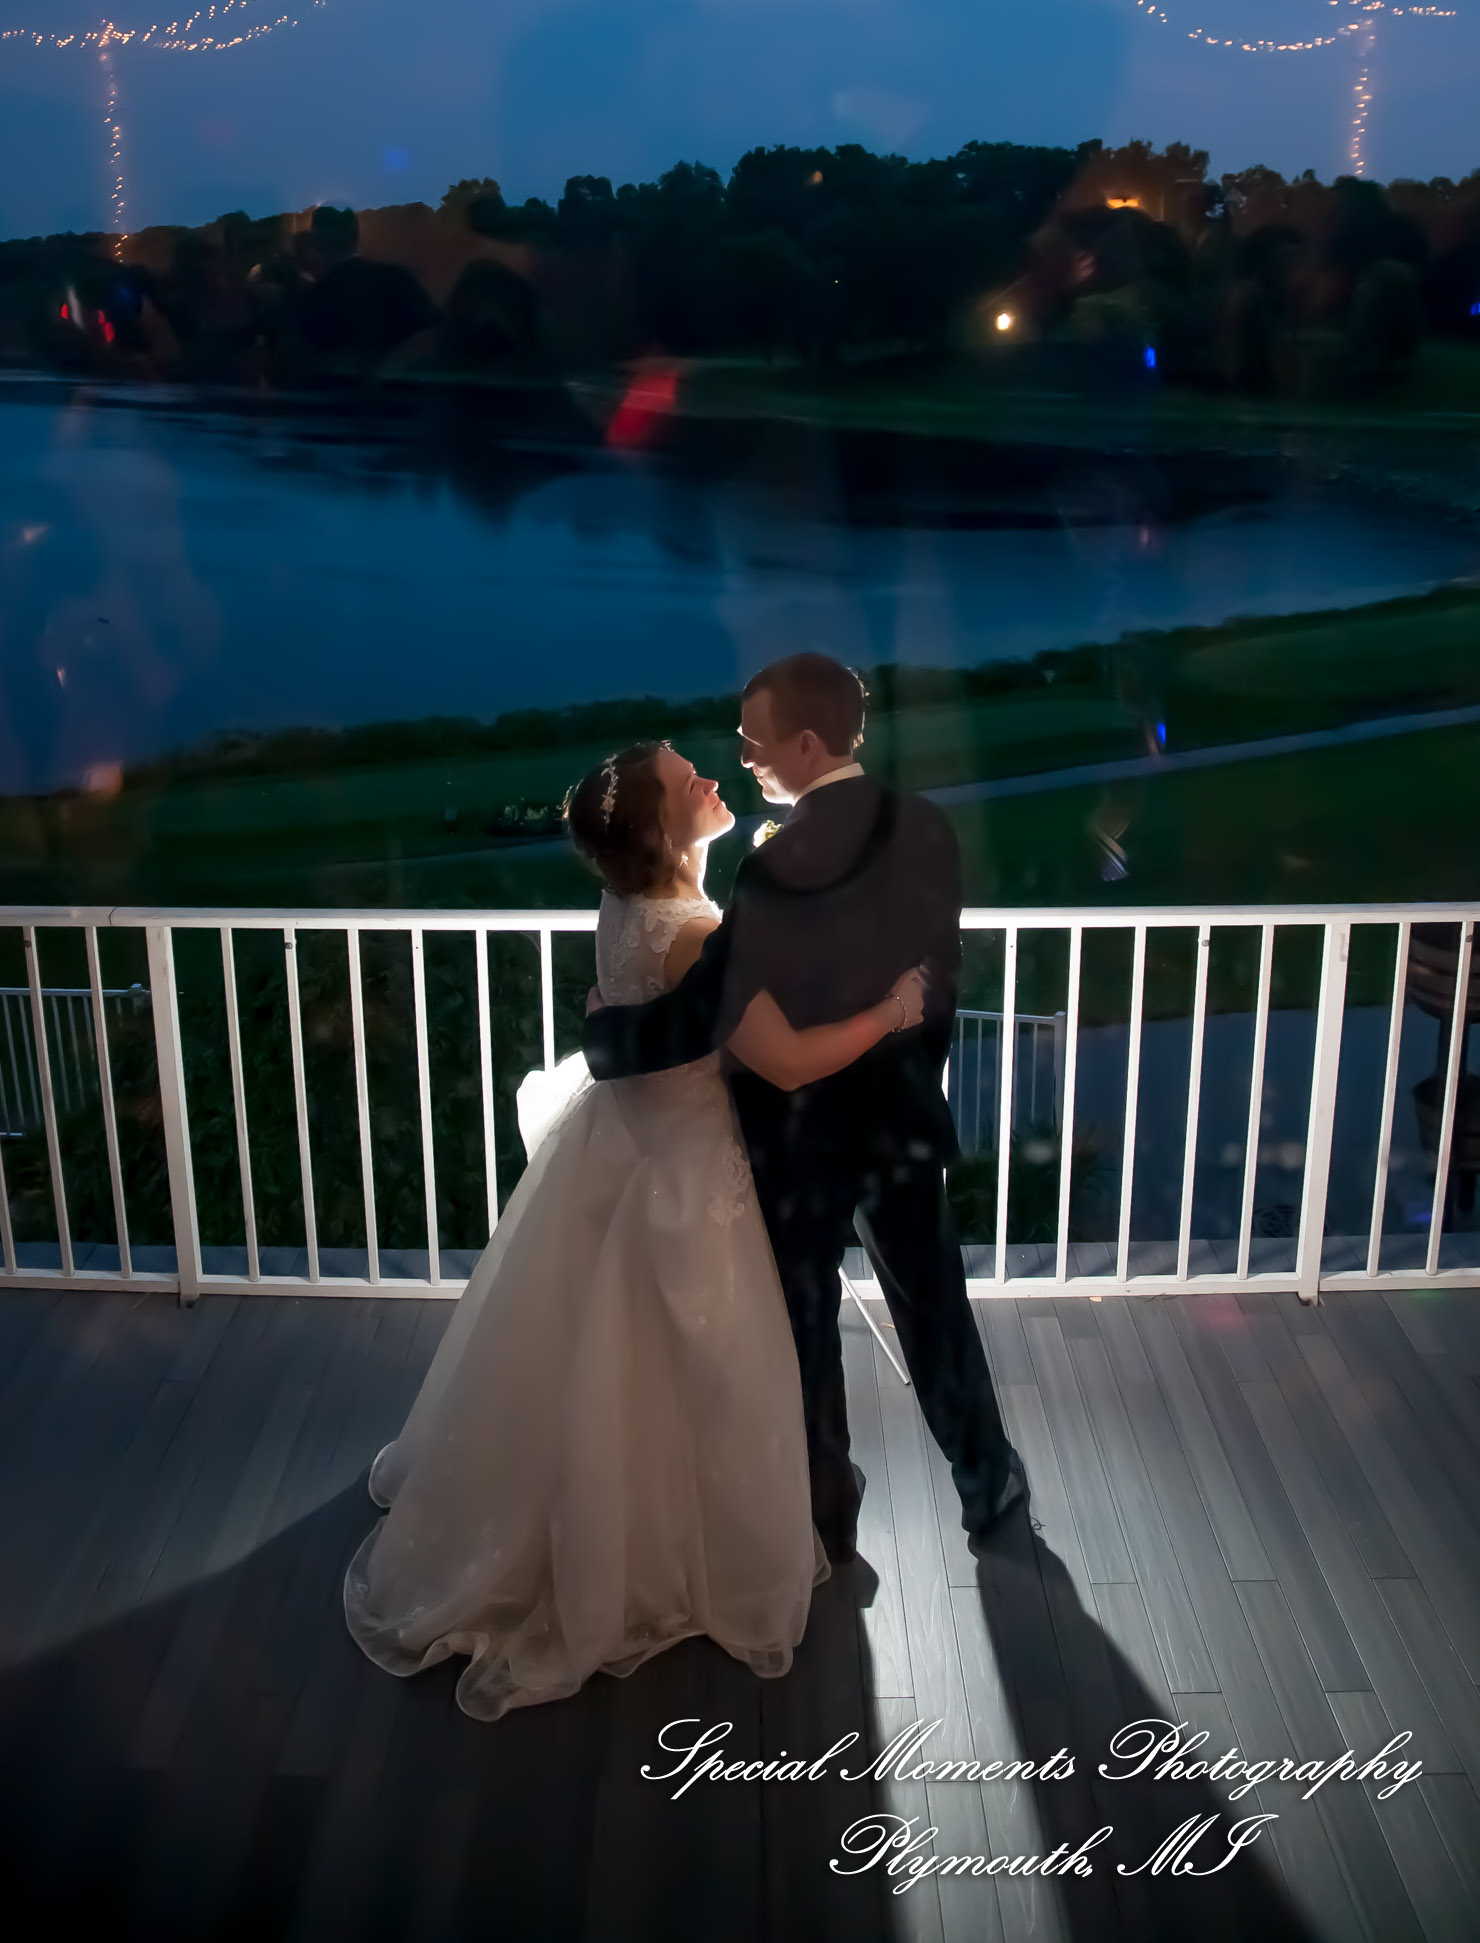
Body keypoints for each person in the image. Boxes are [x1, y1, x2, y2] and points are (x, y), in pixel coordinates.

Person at [344, 738, 924, 1721]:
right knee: (701, 1369)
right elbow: (780, 1060)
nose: (711, 778)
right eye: (690, 779)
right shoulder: (694, 930)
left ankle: (579, 1515)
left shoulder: (630, 904)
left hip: (616, 1151)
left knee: (585, 1356)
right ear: (663, 828)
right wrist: (891, 1009)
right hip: (686, 1175)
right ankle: (670, 1556)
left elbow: (639, 1024)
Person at [583, 652, 1027, 1560]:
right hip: (901, 1125)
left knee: (807, 1332)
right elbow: (938, 981)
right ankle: (988, 1486)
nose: (743, 755)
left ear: (807, 742)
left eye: (753, 741)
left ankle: (827, 1523)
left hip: (797, 1142)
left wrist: (606, 1044)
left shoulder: (775, 865)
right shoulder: (926, 828)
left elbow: (708, 1012)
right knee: (936, 1310)